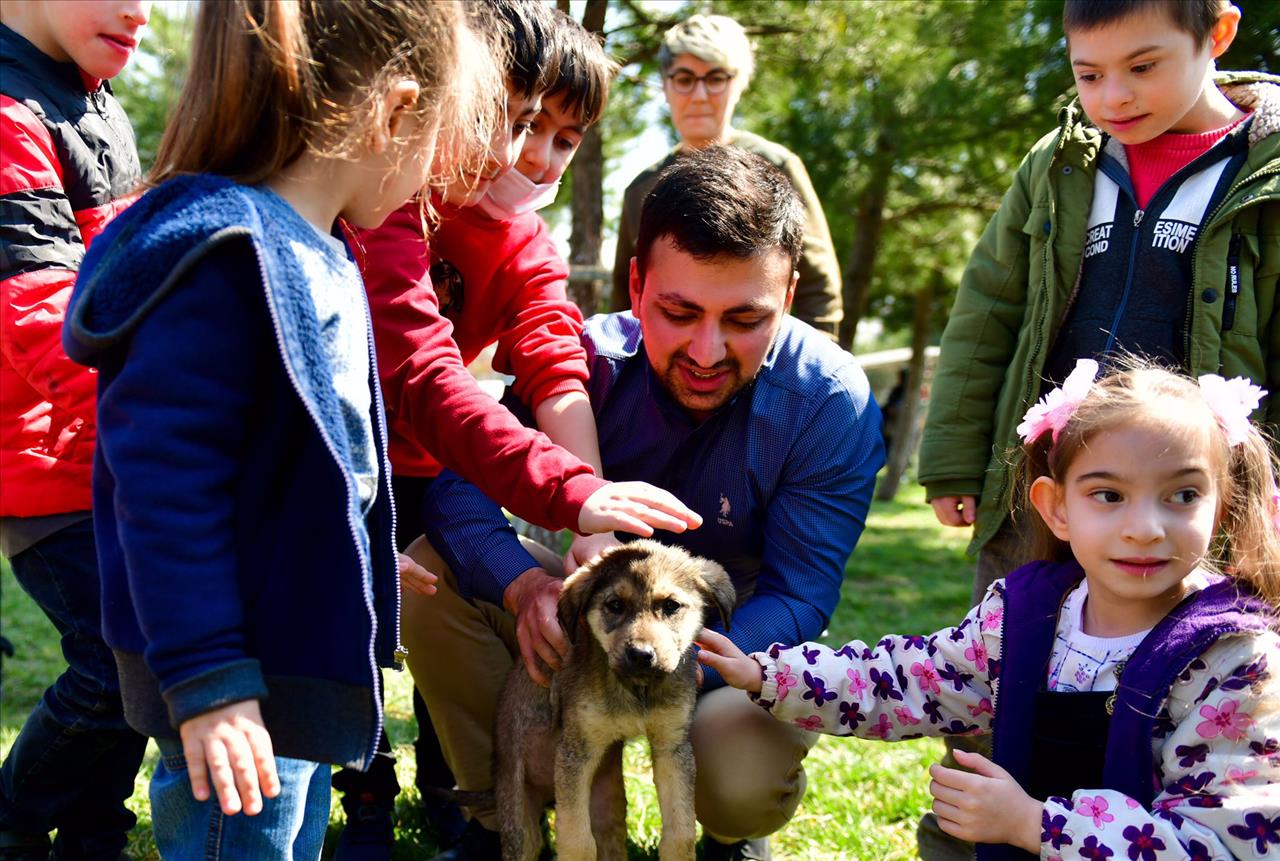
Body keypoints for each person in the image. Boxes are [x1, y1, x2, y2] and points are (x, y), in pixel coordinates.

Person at [56, 3, 502, 859]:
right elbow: (166, 491)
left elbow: (309, 456)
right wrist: (211, 678)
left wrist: (357, 548)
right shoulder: (229, 258)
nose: (432, 183)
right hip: (238, 682)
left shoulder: (319, 248)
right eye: (438, 140)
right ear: (394, 111)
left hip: (291, 663)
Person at [403, 146, 885, 861]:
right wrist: (527, 583)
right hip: (587, 629)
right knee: (431, 573)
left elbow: (801, 590)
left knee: (738, 769)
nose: (707, 349)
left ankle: (727, 834)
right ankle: (497, 817)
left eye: (744, 318)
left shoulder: (830, 400)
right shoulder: (583, 363)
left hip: (729, 647)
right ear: (635, 285)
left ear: (787, 299)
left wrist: (683, 653)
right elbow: (458, 485)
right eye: (680, 311)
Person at [917, 2, 1278, 854]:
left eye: (1143, 66)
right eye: (1088, 73)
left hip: (1195, 502)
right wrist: (958, 458)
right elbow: (989, 306)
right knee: (1002, 680)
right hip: (1048, 488)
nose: (1112, 95)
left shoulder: (1266, 169)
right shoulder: (1058, 164)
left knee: (1184, 697)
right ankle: (976, 841)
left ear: (1218, 35)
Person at [702, 359, 1280, 861]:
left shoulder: (1234, 661)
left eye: (1182, 495)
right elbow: (912, 681)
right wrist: (768, 674)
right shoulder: (1027, 617)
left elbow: (1227, 845)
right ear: (1056, 508)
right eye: (1108, 495)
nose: (1145, 529)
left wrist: (1033, 825)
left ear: (1222, 505)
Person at [334, 8, 647, 858]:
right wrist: (574, 495)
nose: (531, 158)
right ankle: (360, 783)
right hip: (340, 455)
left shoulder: (528, 244)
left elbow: (554, 364)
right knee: (344, 627)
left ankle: (458, 789)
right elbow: (421, 364)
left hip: (437, 466)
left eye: (563, 139)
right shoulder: (393, 198)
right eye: (520, 124)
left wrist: (598, 522)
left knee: (449, 596)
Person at [0, 2, 151, 858]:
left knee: (138, 652)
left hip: (104, 450)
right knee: (115, 659)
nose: (141, 8)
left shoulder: (91, 98)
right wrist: (176, 421)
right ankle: (13, 819)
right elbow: (42, 330)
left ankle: (93, 833)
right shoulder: (9, 112)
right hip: (40, 456)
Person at [610, 13, 843, 340]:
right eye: (685, 78)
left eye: (716, 77)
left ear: (741, 82)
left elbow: (819, 290)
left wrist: (799, 376)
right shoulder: (642, 188)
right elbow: (624, 298)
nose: (700, 95)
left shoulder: (776, 166)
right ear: (665, 84)